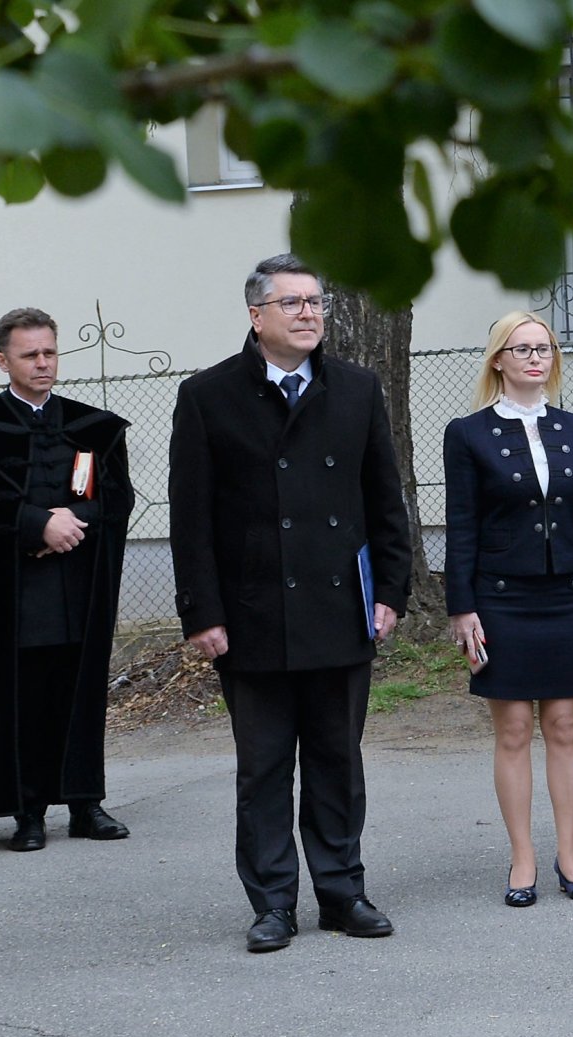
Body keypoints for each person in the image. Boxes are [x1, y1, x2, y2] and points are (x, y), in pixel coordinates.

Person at [169, 254, 414, 953]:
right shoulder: (208, 395)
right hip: (251, 617)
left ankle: (342, 892)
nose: (310, 313)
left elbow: (384, 501)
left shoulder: (358, 389)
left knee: (338, 760)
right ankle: (273, 902)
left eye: (317, 301)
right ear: (256, 315)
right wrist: (202, 613)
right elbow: (190, 520)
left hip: (342, 611)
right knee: (266, 768)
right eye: (293, 303)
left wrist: (391, 592)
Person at [0, 308, 133, 851]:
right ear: (3, 361)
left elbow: (110, 495)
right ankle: (29, 812)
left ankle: (87, 805)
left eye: (49, 353)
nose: (43, 364)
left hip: (79, 586)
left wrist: (73, 522)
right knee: (26, 696)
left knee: (79, 693)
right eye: (30, 355)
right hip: (14, 592)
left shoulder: (92, 428)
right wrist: (36, 523)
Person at [444, 312, 573, 904]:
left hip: (565, 594)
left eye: (542, 348)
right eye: (520, 349)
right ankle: (523, 858)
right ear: (498, 359)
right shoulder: (467, 433)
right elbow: (462, 526)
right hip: (500, 599)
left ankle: (568, 853)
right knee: (515, 728)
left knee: (565, 724)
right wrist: (461, 607)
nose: (534, 358)